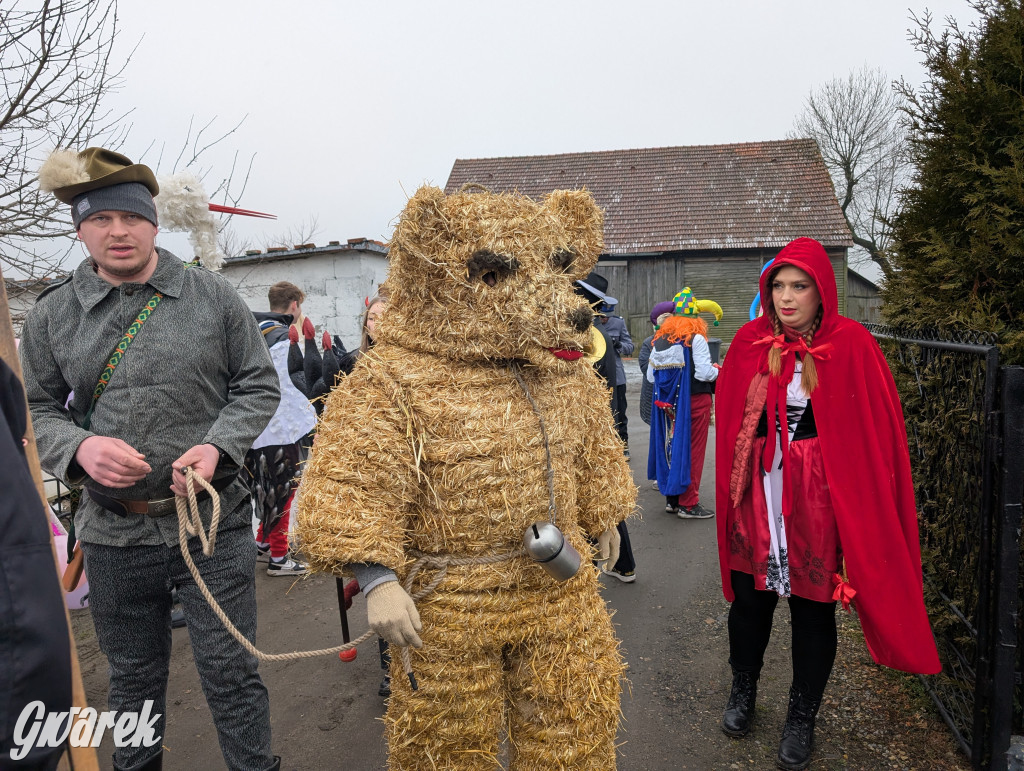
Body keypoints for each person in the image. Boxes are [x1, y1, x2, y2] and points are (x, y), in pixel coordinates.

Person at [22, 147, 282, 771]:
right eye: (101, 219)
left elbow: (257, 385)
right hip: (113, 533)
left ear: (153, 223)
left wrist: (219, 447)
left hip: (211, 526)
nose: (118, 232)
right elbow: (35, 407)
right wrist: (78, 447)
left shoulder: (211, 296)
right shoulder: (53, 314)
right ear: (80, 228)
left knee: (232, 672)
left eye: (131, 217)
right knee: (133, 681)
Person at [714, 237, 940, 770]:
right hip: (758, 494)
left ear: (823, 292)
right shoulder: (751, 341)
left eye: (800, 286)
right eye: (778, 286)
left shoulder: (852, 344)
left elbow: (871, 435)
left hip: (818, 499)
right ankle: (743, 691)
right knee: (750, 602)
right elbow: (729, 422)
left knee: (813, 611)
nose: (786, 298)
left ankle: (801, 716)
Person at [247, 281, 317, 576]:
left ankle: (262, 539)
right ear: (294, 304)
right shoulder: (280, 339)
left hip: (257, 431)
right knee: (284, 490)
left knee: (266, 488)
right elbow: (288, 390)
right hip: (280, 430)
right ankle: (279, 557)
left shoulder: (255, 330)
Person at [575, 278, 636, 584]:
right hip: (594, 426)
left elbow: (601, 388)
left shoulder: (589, 336)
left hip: (588, 429)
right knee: (599, 499)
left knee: (598, 500)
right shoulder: (593, 333)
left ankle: (618, 564)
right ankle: (622, 565)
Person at [647, 288, 722, 518]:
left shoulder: (659, 339)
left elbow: (651, 377)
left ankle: (673, 500)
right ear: (695, 318)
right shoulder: (696, 338)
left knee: (673, 449)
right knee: (693, 452)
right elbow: (703, 374)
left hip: (667, 406)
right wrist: (719, 371)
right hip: (695, 403)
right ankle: (689, 504)